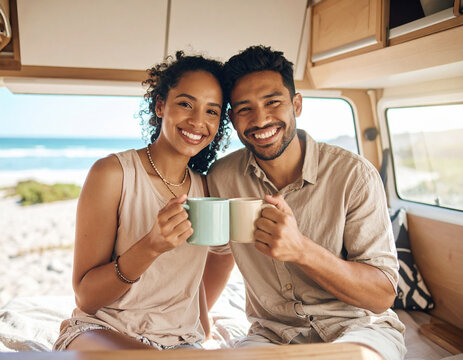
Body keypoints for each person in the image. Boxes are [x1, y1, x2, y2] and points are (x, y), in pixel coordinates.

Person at [207, 45, 406, 360]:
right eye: (245, 108)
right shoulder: (220, 178)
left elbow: (381, 295)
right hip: (270, 335)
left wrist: (302, 251)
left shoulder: (355, 175)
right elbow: (218, 255)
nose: (260, 119)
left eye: (273, 102)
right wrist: (201, 319)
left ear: (296, 105)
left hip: (360, 329)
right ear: (231, 118)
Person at [53, 51, 234, 351]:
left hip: (179, 341)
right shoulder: (112, 174)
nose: (197, 121)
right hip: (102, 330)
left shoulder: (207, 187)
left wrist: (201, 322)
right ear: (160, 105)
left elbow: (215, 260)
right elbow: (86, 297)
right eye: (186, 104)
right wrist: (151, 246)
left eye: (211, 111)